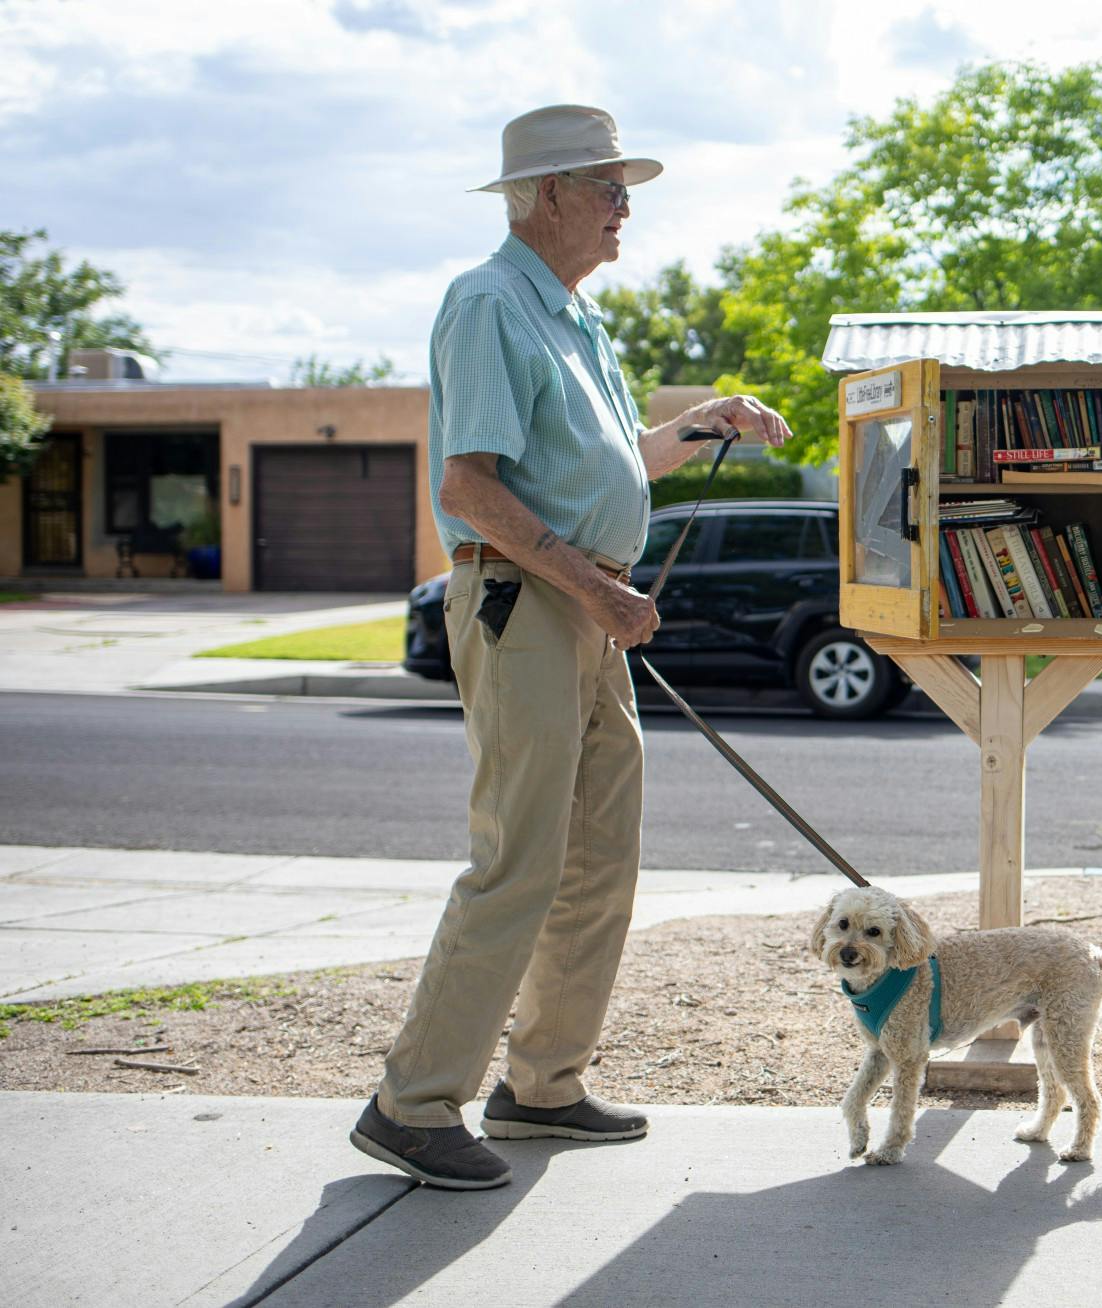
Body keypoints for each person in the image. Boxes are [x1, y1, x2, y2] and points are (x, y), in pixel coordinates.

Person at [350, 104, 792, 1189]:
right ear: (545, 195)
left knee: (599, 859)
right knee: (522, 862)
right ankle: (412, 1103)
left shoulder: (571, 317)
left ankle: (542, 1086)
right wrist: (595, 585)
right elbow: (470, 486)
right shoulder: (489, 303)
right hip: (532, 604)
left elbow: (610, 467)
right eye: (607, 187)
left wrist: (701, 422)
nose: (624, 207)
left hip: (584, 608)